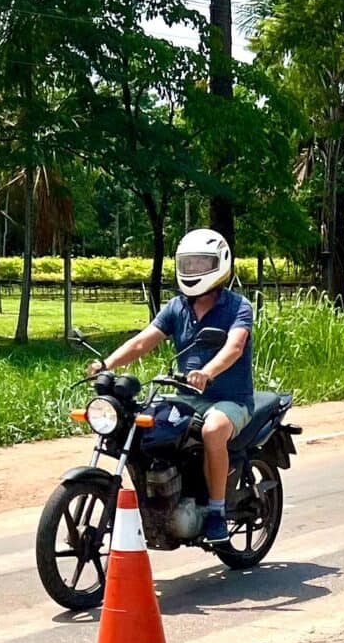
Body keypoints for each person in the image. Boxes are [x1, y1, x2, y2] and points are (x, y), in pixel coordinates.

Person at [86, 228, 255, 542]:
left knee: (212, 430)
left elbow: (234, 347)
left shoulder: (238, 306)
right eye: (188, 265)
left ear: (220, 264)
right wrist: (105, 364)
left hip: (231, 399)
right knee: (146, 425)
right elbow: (141, 342)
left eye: (200, 264)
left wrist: (207, 371)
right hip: (188, 397)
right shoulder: (177, 307)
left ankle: (216, 512)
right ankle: (162, 499)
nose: (193, 271)